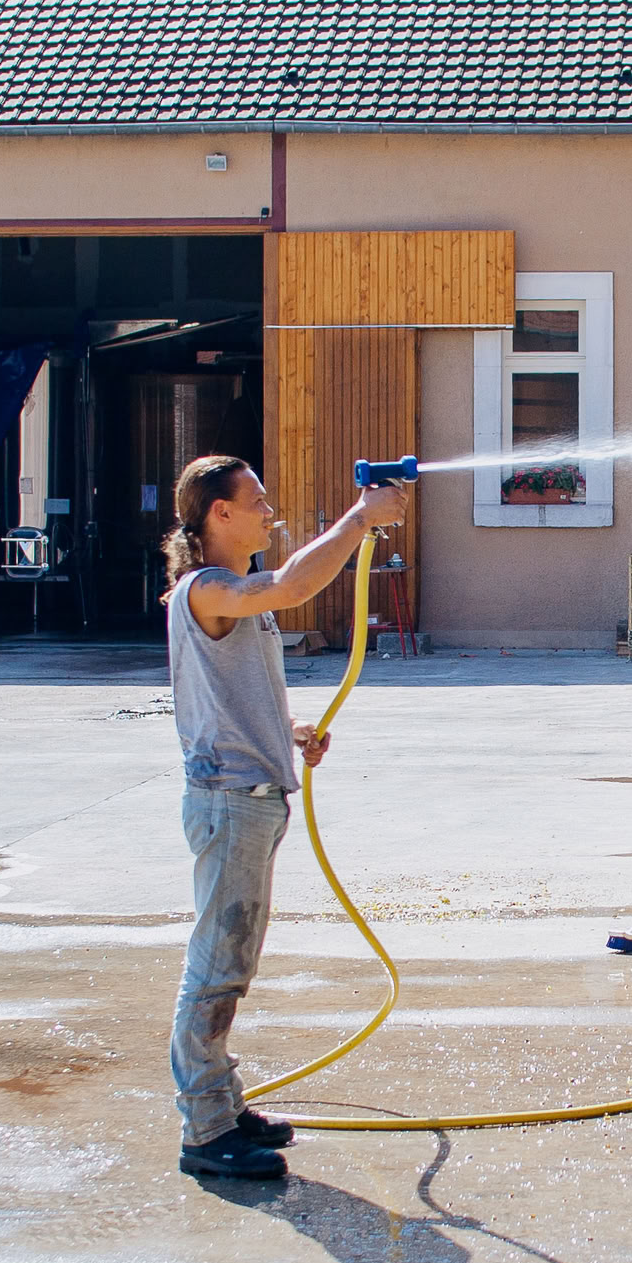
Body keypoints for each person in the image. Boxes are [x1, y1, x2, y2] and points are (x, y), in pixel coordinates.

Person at [163, 454, 408, 1178]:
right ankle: (206, 1135)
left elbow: (234, 693)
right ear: (220, 514)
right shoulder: (207, 589)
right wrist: (360, 520)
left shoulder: (236, 597)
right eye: (258, 502)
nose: (272, 514)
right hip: (230, 802)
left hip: (254, 798)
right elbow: (294, 584)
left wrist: (292, 732)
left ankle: (224, 1105)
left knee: (231, 965)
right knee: (215, 971)